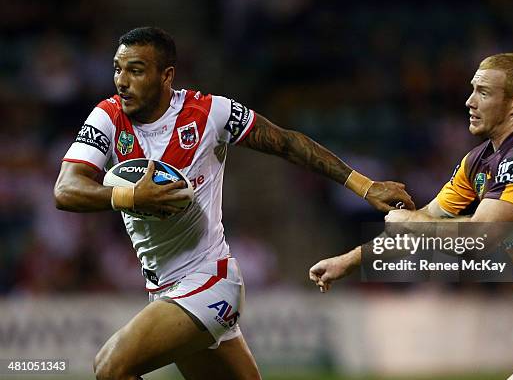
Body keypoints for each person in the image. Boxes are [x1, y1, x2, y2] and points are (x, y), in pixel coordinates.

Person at [53, 27, 413, 380]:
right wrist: (130, 196)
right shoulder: (108, 117)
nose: (121, 80)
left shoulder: (210, 112)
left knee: (111, 368)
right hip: (163, 287)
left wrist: (366, 186)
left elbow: (287, 143)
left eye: (135, 70)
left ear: (167, 76)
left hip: (209, 281)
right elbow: (65, 190)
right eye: (117, 68)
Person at [309, 53, 513, 380]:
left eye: (483, 92)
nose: (469, 101)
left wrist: (409, 222)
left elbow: (478, 238)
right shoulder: (478, 161)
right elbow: (423, 223)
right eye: (472, 90)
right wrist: (349, 261)